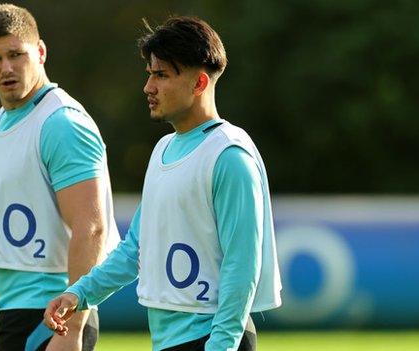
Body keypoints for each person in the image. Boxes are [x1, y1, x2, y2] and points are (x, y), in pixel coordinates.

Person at [44, 16, 282, 351]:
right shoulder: (163, 150)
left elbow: (242, 264)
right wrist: (78, 293)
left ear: (199, 83)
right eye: (149, 75)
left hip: (214, 339)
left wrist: (222, 345)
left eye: (161, 75)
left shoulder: (229, 155)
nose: (148, 87)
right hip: (171, 340)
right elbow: (135, 251)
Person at [0, 4, 120, 351]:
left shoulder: (62, 122)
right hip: (14, 313)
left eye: (16, 54)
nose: (6, 68)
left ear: (40, 52)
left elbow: (92, 227)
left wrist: (71, 329)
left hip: (53, 316)